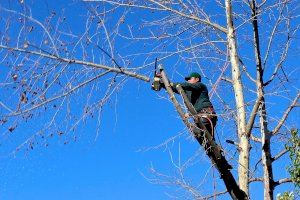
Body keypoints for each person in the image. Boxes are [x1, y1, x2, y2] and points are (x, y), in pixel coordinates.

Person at [160, 72, 217, 137]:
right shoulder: (188, 91)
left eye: (190, 79)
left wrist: (173, 84)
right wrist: (162, 82)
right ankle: (208, 144)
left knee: (202, 132)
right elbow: (173, 87)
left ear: (197, 79)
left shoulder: (200, 85)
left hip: (207, 114)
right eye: (187, 79)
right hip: (198, 116)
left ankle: (205, 138)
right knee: (203, 138)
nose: (188, 80)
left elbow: (188, 86)